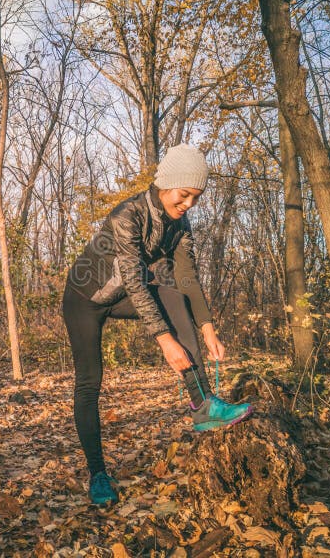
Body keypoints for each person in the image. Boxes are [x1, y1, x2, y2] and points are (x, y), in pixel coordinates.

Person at [62, 143, 253, 506]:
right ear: (167, 183)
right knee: (90, 383)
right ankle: (98, 474)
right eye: (185, 195)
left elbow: (187, 276)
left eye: (196, 198)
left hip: (120, 295)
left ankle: (203, 406)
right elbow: (135, 280)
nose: (189, 205)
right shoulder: (126, 216)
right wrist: (165, 339)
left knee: (174, 295)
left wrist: (207, 325)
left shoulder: (180, 223)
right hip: (84, 300)